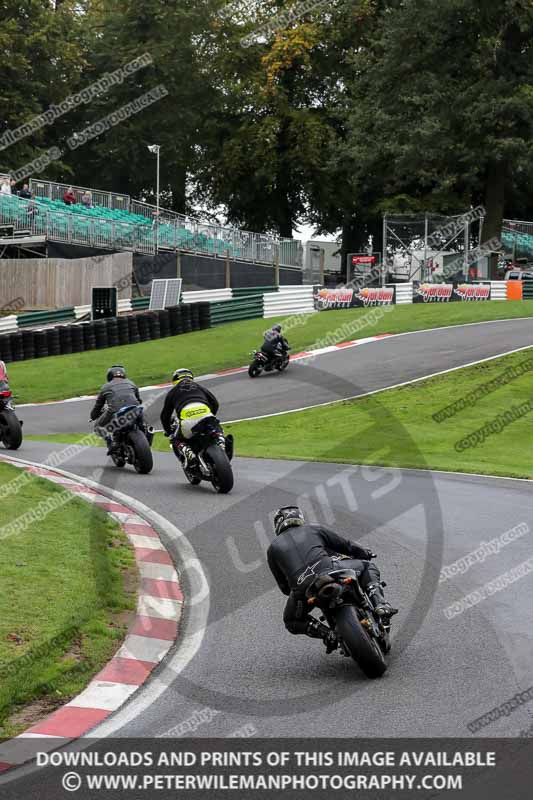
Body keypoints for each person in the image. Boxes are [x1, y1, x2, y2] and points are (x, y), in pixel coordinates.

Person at [267, 506, 398, 653]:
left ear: (278, 524)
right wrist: (365, 553)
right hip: (331, 571)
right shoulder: (314, 529)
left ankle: (327, 634)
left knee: (291, 620)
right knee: (368, 567)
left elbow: (284, 587)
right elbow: (346, 545)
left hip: (304, 588)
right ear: (299, 518)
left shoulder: (272, 548)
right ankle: (380, 604)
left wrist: (298, 588)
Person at [160, 368, 219, 467]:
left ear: (175, 379)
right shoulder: (199, 387)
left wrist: (168, 431)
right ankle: (220, 439)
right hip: (206, 415)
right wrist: (211, 414)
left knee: (175, 438)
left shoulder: (172, 392)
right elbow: (215, 403)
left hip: (188, 421)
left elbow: (165, 416)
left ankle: (187, 451)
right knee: (215, 428)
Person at [89, 365, 141, 453]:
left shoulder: (105, 387)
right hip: (134, 408)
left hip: (115, 410)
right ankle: (147, 431)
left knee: (97, 427)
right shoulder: (131, 383)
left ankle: (110, 441)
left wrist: (93, 416)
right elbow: (139, 399)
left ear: (109, 375)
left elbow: (98, 405)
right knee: (143, 420)